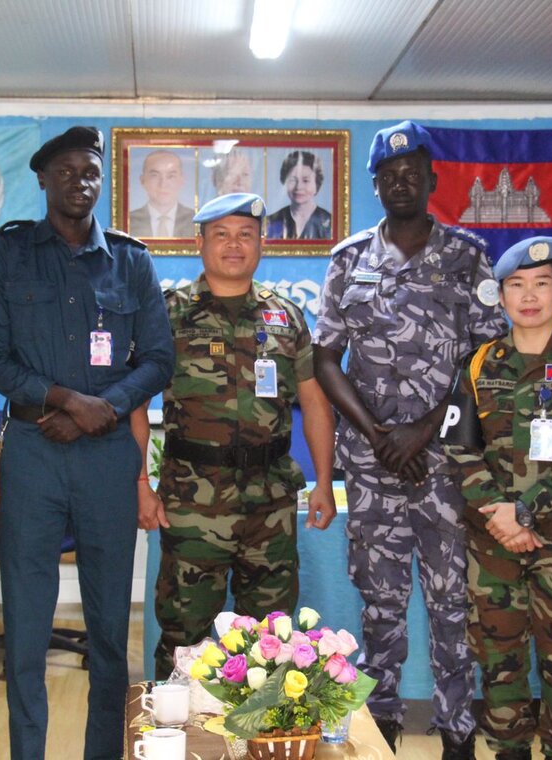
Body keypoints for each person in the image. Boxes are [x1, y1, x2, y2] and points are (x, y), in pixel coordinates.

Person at [0, 126, 174, 760]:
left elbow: (159, 360)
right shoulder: (4, 255)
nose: (79, 182)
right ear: (41, 178)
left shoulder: (130, 260)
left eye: (90, 172)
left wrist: (103, 409)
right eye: (66, 171)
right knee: (26, 628)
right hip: (32, 453)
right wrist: (64, 400)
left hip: (108, 456)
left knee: (112, 626)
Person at [313, 120, 508, 760]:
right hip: (373, 470)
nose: (400, 182)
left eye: (412, 173)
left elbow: (487, 357)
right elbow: (325, 361)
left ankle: (457, 737)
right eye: (388, 176)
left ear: (432, 179)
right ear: (375, 185)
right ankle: (380, 732)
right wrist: (378, 436)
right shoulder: (348, 260)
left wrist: (423, 431)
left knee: (452, 606)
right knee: (380, 609)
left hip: (445, 466)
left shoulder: (467, 256)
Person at [138, 192, 337, 679]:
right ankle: (177, 746)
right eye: (221, 235)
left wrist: (326, 484)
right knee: (184, 638)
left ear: (262, 244)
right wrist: (138, 485)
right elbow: (135, 405)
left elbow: (314, 403)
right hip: (191, 502)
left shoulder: (285, 317)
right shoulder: (167, 315)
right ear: (199, 242)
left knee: (271, 642)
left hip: (270, 506)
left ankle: (261, 748)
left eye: (245, 235)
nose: (234, 245)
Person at [448, 237, 552, 760]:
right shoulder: (479, 363)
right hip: (493, 547)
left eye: (541, 284)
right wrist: (501, 517)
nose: (529, 296)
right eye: (516, 285)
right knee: (499, 666)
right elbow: (459, 448)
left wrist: (521, 513)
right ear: (500, 296)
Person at [266, 150, 333, 240]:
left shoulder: (330, 223)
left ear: (317, 183)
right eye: (293, 180)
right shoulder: (272, 221)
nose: (299, 187)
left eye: (306, 180)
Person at [128, 150, 195, 238]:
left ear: (181, 180)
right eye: (155, 175)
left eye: (171, 176)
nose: (163, 184)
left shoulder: (196, 221)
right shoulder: (129, 221)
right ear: (142, 180)